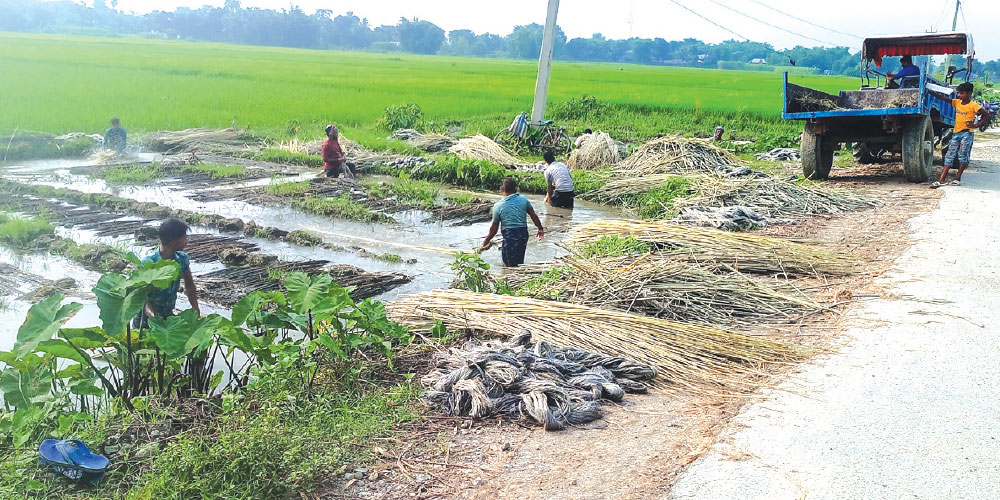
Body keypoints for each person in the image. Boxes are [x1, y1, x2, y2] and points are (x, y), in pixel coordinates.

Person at [134, 218, 200, 328]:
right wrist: (154, 318)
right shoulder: (148, 264)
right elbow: (141, 298)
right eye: (184, 238)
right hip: (145, 320)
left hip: (167, 316)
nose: (187, 241)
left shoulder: (182, 258)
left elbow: (189, 285)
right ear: (173, 241)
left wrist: (196, 309)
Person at [933, 82, 990, 188]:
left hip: (967, 134)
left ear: (969, 93)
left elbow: (987, 115)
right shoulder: (957, 102)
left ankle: (957, 178)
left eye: (962, 93)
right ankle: (942, 179)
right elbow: (943, 98)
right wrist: (932, 93)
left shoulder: (974, 105)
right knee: (950, 155)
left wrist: (976, 124)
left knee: (963, 156)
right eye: (958, 93)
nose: (959, 95)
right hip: (956, 134)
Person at [481, 177, 544, 267]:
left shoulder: (498, 206)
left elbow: (494, 228)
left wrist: (486, 240)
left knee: (508, 265)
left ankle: (510, 278)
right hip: (523, 234)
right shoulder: (524, 200)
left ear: (502, 189)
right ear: (515, 188)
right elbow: (533, 216)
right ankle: (519, 277)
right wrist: (540, 228)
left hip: (510, 236)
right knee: (519, 262)